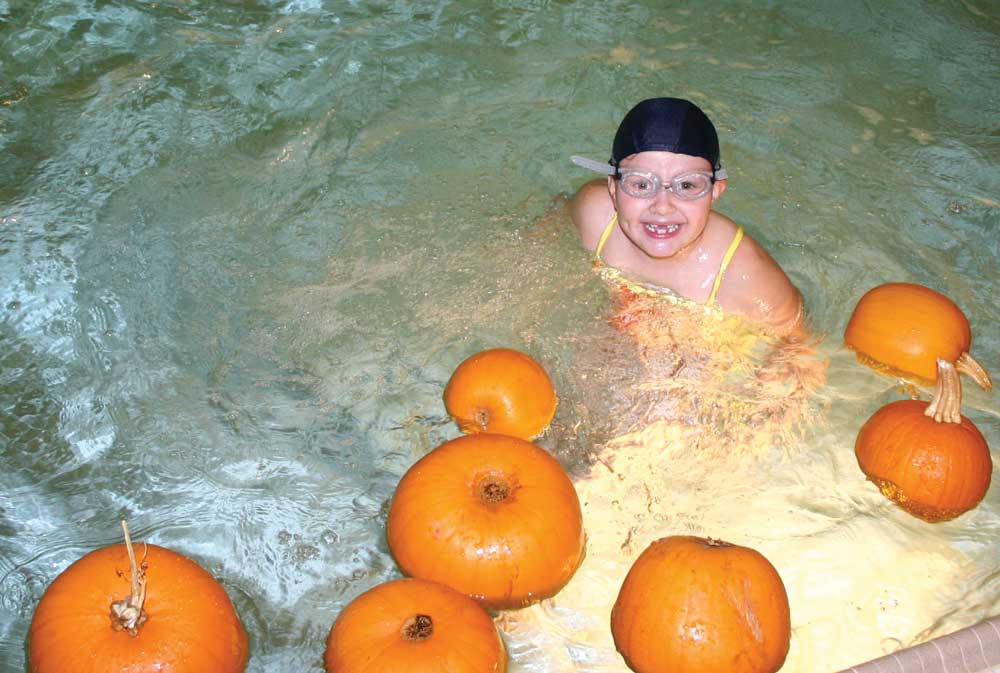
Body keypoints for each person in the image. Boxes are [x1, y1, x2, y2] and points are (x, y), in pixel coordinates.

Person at [570, 97, 805, 338]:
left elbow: (798, 350)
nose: (662, 206)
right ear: (613, 187)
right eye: (641, 184)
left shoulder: (747, 277)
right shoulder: (594, 214)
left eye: (687, 185)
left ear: (715, 191)